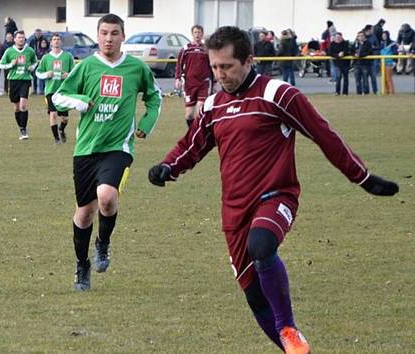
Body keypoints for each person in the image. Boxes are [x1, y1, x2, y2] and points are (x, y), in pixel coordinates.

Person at [148, 25, 399, 354]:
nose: (220, 74)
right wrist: (169, 166)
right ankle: (293, 349)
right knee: (254, 295)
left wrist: (363, 178)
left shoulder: (279, 95)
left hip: (276, 196)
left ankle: (288, 327)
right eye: (214, 67)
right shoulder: (213, 105)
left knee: (262, 245)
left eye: (227, 66)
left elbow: (324, 135)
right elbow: (192, 146)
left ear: (249, 60)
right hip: (233, 210)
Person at [52, 13, 162, 292]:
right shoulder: (87, 66)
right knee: (85, 213)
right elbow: (58, 95)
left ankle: (103, 243)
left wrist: (147, 123)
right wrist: (80, 101)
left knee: (107, 197)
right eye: (104, 33)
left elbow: (154, 97)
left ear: (123, 36)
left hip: (119, 148)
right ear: (98, 36)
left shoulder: (136, 68)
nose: (109, 38)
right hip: (86, 149)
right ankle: (82, 263)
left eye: (114, 33)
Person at [35, 33, 75, 144]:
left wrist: (68, 75)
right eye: (54, 39)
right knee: (53, 114)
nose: (56, 41)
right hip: (50, 90)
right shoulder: (46, 57)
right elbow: (38, 72)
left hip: (64, 90)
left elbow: (75, 72)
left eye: (58, 39)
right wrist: (46, 74)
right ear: (51, 42)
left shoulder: (68, 56)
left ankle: (61, 129)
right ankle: (56, 139)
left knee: (65, 118)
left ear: (61, 42)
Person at [0, 30, 38, 140]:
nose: (21, 39)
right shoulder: (9, 51)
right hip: (13, 80)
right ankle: (20, 128)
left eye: (23, 37)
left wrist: (32, 67)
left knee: (23, 105)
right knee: (16, 108)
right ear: (15, 39)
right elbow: (1, 65)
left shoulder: (29, 50)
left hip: (25, 80)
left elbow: (35, 61)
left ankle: (24, 130)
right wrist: (11, 64)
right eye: (19, 37)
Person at [174, 25, 214, 128]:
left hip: (203, 83)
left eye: (199, 32)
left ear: (202, 34)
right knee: (189, 114)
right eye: (195, 32)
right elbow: (179, 64)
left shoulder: (206, 49)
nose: (197, 34)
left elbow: (212, 65)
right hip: (189, 84)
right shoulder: (186, 49)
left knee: (200, 108)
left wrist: (214, 81)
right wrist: (178, 78)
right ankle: (192, 133)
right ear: (192, 34)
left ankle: (199, 132)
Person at [353, 31, 373, 95]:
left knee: (365, 80)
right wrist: (354, 54)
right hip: (356, 64)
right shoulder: (355, 44)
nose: (360, 37)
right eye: (359, 36)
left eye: (362, 36)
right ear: (357, 37)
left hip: (365, 64)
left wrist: (360, 55)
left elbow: (369, 52)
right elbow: (351, 51)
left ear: (364, 37)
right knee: (357, 80)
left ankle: (366, 92)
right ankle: (359, 92)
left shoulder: (368, 43)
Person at [27, 28, 46, 94]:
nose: (38, 34)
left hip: (42, 61)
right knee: (34, 76)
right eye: (36, 33)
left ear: (41, 33)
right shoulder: (32, 41)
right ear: (35, 34)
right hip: (34, 60)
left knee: (42, 76)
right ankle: (34, 90)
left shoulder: (44, 40)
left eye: (39, 33)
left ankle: (42, 90)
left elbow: (46, 48)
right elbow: (30, 50)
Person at [364, 25, 379, 93]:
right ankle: (366, 92)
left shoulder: (374, 37)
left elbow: (378, 46)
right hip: (364, 60)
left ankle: (375, 91)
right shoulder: (361, 36)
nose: (373, 30)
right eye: (372, 29)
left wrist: (373, 48)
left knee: (373, 77)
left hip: (373, 59)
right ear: (368, 29)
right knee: (365, 78)